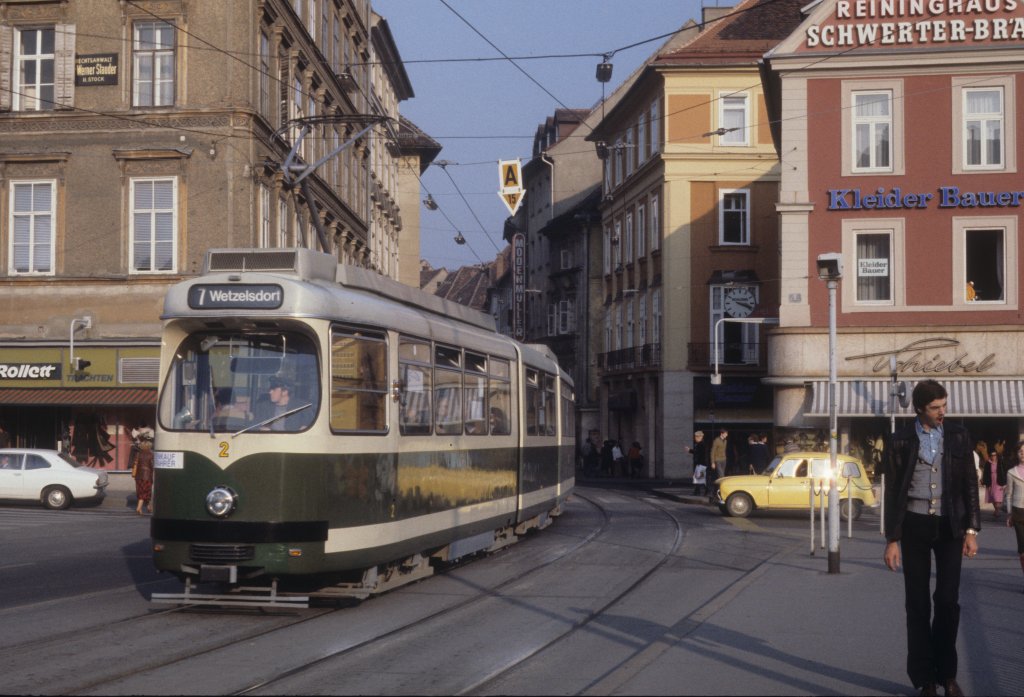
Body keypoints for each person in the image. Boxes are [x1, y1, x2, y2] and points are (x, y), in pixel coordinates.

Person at [882, 379, 979, 697]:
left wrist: (971, 530)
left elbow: (969, 487)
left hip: (950, 526)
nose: (943, 412)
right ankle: (925, 679)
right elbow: (893, 492)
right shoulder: (899, 439)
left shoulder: (958, 436)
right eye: (936, 408)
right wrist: (892, 539)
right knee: (918, 604)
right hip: (914, 526)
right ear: (921, 408)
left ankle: (947, 675)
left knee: (948, 601)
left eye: (945, 406)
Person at [1004, 441, 1024, 593]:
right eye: (1020, 451)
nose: (1022, 453)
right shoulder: (1011, 472)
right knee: (1023, 550)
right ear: (1016, 454)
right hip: (1018, 512)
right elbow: (1009, 495)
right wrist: (1010, 513)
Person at [981, 442, 1007, 519]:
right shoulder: (988, 463)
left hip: (999, 480)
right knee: (992, 497)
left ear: (996, 455)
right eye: (992, 455)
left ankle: (997, 511)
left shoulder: (1000, 462)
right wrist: (985, 481)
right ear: (990, 456)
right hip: (991, 481)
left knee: (997, 497)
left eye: (994, 455)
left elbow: (1004, 471)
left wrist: (1005, 482)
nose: (993, 457)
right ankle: (997, 510)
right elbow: (985, 473)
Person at [132, 436, 154, 515]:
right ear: (149, 446)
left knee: (142, 491)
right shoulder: (151, 455)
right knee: (145, 492)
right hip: (147, 476)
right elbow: (152, 466)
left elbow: (134, 464)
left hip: (138, 476)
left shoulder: (138, 454)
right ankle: (139, 508)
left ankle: (149, 507)